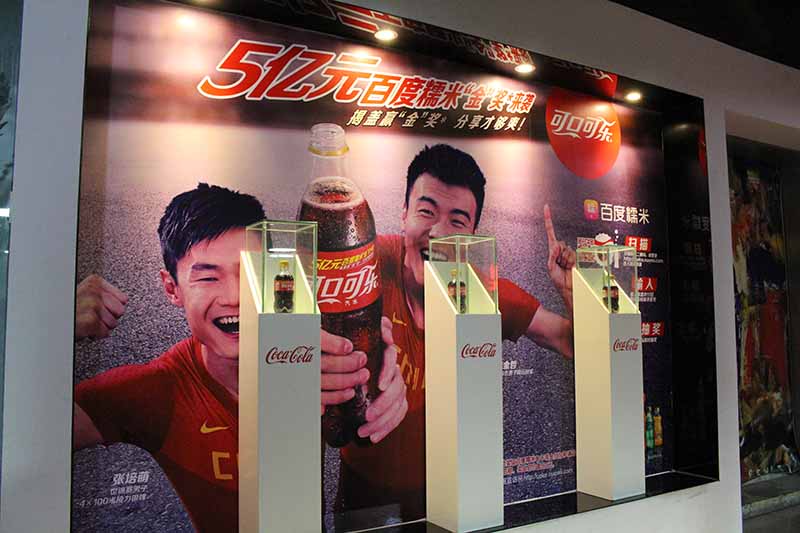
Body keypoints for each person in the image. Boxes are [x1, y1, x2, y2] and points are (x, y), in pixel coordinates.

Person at [72, 183, 406, 532]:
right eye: (208, 277)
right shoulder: (159, 392)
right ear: (172, 288)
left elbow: (363, 412)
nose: (234, 296)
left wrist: (381, 379)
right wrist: (57, 327)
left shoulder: (310, 359)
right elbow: (41, 436)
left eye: (250, 272)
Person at [322, 144, 575, 526]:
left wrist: (571, 292)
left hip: (448, 490)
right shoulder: (365, 268)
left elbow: (570, 341)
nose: (438, 233)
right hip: (363, 492)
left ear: (472, 235)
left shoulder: (482, 293)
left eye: (457, 221)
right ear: (404, 214)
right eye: (426, 212)